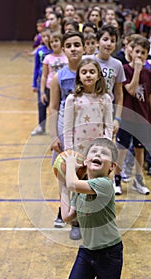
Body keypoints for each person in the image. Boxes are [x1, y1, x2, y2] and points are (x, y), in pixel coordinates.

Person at [59, 137, 123, 279]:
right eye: (94, 152)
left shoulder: (105, 185)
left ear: (111, 166)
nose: (97, 155)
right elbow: (67, 216)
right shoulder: (80, 189)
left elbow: (72, 183)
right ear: (86, 161)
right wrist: (61, 184)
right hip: (87, 251)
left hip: (110, 252)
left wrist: (69, 163)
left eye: (104, 154)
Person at [49, 31, 85, 237]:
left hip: (86, 128)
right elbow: (53, 108)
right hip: (65, 127)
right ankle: (64, 211)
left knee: (82, 172)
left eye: (77, 44)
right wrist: (53, 136)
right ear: (63, 50)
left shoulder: (90, 71)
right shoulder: (59, 76)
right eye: (69, 45)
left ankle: (80, 216)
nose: (73, 48)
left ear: (84, 47)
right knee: (63, 172)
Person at [114, 36, 151, 195]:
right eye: (137, 51)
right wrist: (137, 71)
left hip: (142, 117)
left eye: (143, 53)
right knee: (121, 149)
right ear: (131, 51)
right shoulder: (125, 70)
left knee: (140, 150)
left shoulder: (149, 74)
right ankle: (117, 179)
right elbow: (131, 90)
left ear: (147, 54)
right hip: (127, 117)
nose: (139, 55)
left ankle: (138, 181)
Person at [83, 24, 126, 136]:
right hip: (85, 109)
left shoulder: (117, 65)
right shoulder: (85, 60)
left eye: (112, 41)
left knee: (104, 147)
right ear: (97, 42)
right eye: (105, 39)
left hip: (106, 111)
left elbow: (119, 94)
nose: (108, 43)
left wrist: (117, 118)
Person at [31, 27, 52, 136]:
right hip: (41, 81)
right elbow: (36, 68)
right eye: (43, 36)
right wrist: (34, 83)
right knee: (41, 104)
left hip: (53, 82)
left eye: (48, 36)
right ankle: (41, 127)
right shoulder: (39, 51)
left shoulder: (55, 51)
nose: (46, 38)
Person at [40, 32, 68, 108]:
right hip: (50, 88)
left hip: (64, 88)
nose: (54, 44)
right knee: (53, 110)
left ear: (61, 42)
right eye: (51, 42)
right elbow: (44, 76)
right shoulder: (47, 58)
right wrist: (42, 92)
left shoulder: (67, 56)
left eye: (56, 41)